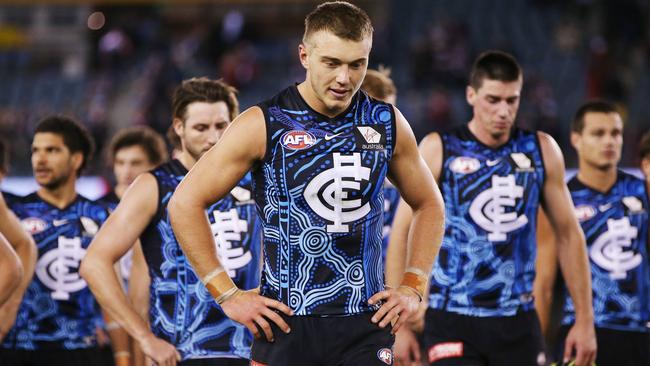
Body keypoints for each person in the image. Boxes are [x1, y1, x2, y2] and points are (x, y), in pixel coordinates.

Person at [168, 2, 445, 366]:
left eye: (356, 64)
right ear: (304, 55)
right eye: (331, 63)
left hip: (364, 323)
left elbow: (430, 205)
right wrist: (227, 294)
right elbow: (184, 203)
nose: (344, 78)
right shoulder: (263, 123)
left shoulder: (386, 122)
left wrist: (413, 286)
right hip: (285, 326)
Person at [386, 50, 597, 366]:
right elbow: (402, 232)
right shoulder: (439, 148)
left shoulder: (541, 150)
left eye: (512, 100)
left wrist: (584, 320)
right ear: (471, 95)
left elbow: (569, 234)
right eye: (493, 99)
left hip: (518, 320)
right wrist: (399, 326)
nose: (503, 111)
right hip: (451, 317)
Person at [81, 77, 262, 366]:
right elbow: (94, 263)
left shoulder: (257, 179)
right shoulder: (155, 185)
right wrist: (144, 338)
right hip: (182, 354)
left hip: (255, 351)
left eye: (221, 126)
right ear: (179, 127)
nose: (213, 138)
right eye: (201, 128)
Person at [535, 101, 650, 365]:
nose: (609, 141)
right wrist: (537, 349)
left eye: (616, 133)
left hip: (640, 334)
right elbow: (544, 283)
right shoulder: (559, 202)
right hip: (581, 333)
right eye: (598, 134)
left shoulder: (644, 190)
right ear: (576, 139)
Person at [0, 115, 113, 366]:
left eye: (52, 150)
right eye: (35, 151)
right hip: (19, 345)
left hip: (81, 347)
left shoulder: (103, 216)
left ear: (76, 159)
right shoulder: (12, 211)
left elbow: (115, 280)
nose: (39, 159)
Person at [99, 126, 168, 366]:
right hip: (105, 326)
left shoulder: (169, 208)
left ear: (156, 165)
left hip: (154, 320)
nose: (126, 172)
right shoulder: (96, 213)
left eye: (135, 163)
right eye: (120, 162)